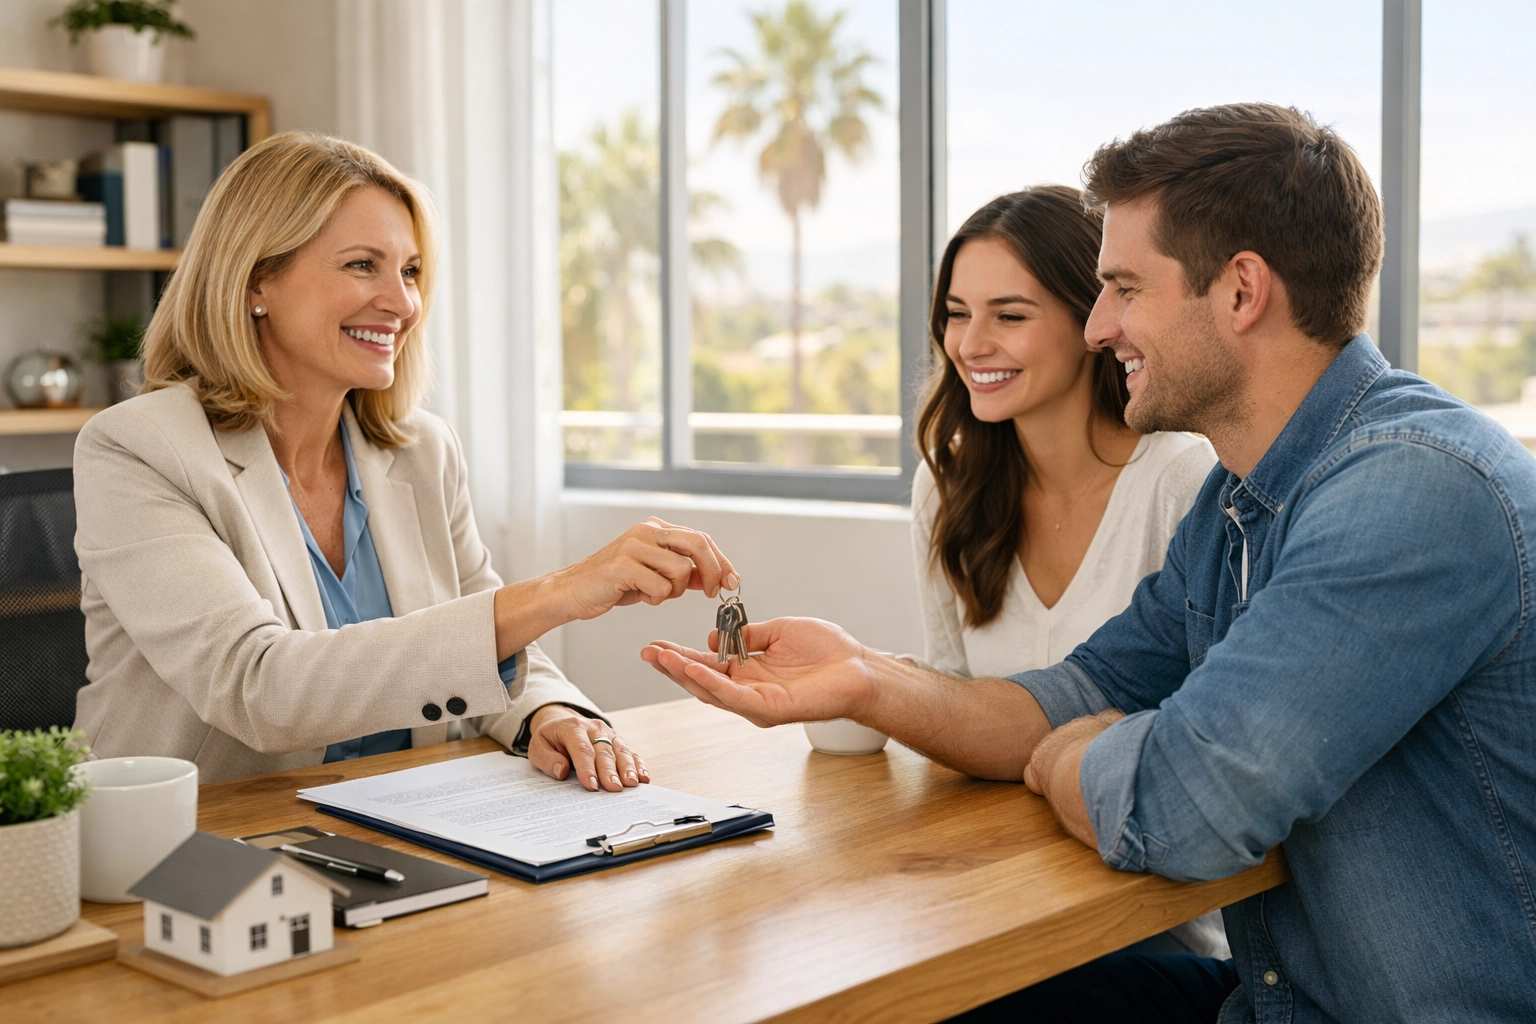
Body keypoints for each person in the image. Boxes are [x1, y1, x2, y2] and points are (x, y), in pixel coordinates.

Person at [644, 103, 1536, 1023]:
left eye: (1125, 288)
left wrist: (1073, 754)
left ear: (1241, 292)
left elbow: (1185, 809)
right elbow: (1070, 695)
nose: (1101, 325)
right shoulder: (1237, 502)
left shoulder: (1414, 492)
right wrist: (865, 678)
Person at [74, 131, 738, 789]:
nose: (403, 303)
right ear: (256, 281)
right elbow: (257, 687)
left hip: (394, 815)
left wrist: (551, 713)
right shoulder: (139, 449)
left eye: (411, 271)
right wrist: (560, 592)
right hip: (200, 833)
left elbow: (484, 643)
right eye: (363, 265)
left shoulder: (422, 451)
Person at [914, 186, 1221, 957]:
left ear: (1093, 322)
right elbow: (948, 701)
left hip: (1154, 919)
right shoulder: (947, 483)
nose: (971, 344)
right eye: (957, 313)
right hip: (999, 891)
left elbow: (1207, 745)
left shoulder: (1180, 479)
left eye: (1010, 316)